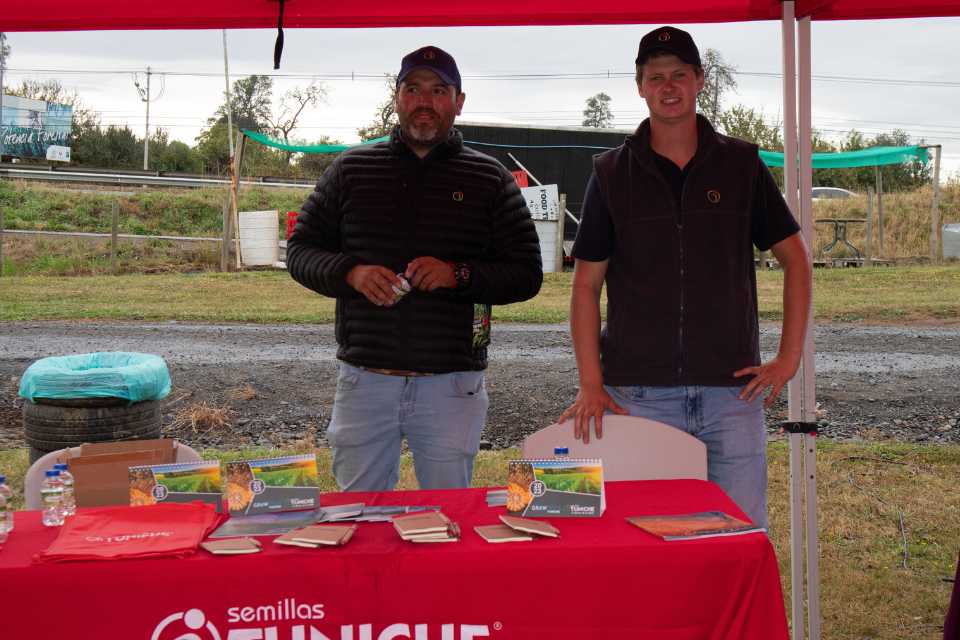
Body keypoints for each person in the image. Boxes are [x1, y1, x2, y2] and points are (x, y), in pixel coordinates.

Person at [559, 26, 812, 529]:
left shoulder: (741, 163)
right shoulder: (611, 173)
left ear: (699, 80)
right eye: (655, 77)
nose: (668, 86)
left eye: (679, 74)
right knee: (646, 544)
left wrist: (787, 358)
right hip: (639, 396)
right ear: (640, 87)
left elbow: (797, 260)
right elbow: (585, 286)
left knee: (739, 538)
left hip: (731, 396)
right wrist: (591, 383)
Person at [287, 45, 543, 492]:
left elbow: (526, 274)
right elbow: (301, 251)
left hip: (451, 383)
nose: (425, 102)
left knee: (447, 519)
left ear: (459, 101)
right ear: (396, 96)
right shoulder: (351, 170)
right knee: (359, 515)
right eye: (413, 89)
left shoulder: (489, 178)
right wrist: (350, 273)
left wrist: (457, 275)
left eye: (439, 90)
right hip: (366, 379)